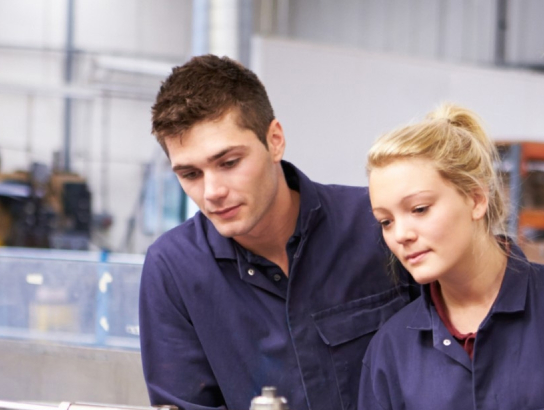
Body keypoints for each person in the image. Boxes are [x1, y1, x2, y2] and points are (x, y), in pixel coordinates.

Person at [139, 54, 413, 410]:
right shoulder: (173, 269)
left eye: (229, 163)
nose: (212, 192)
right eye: (190, 174)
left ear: (275, 140)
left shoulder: (377, 224)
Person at [358, 104, 544, 410]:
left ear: (476, 199)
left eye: (419, 209)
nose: (400, 235)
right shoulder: (391, 351)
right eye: (386, 221)